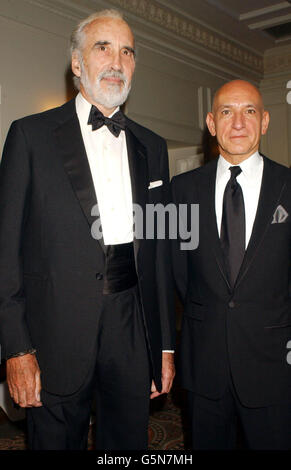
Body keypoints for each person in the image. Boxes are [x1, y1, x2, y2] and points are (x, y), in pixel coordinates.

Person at [0, 9, 175, 450]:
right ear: (77, 64)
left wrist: (165, 346)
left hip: (133, 328)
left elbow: (158, 257)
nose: (117, 61)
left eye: (127, 51)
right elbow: (5, 253)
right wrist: (17, 349)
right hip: (54, 331)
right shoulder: (29, 136)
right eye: (103, 48)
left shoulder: (152, 147)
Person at [171, 80, 291, 450]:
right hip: (205, 367)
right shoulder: (181, 190)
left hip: (275, 368)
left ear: (265, 121)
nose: (238, 122)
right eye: (227, 112)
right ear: (211, 123)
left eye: (249, 111)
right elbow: (177, 274)